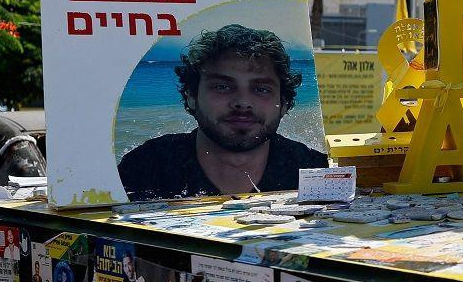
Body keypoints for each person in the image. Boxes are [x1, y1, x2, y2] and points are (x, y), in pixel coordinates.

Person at [117, 25, 328, 201]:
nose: (243, 103)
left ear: (283, 103)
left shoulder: (313, 171)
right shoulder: (144, 168)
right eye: (222, 87)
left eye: (261, 89)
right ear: (191, 96)